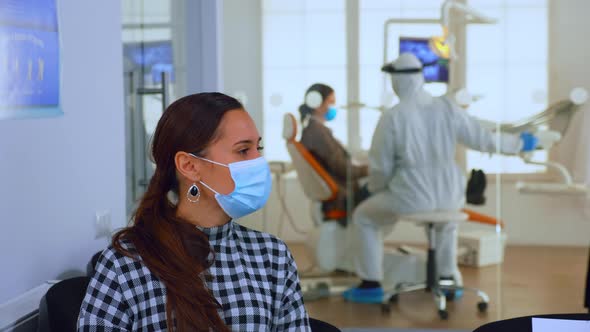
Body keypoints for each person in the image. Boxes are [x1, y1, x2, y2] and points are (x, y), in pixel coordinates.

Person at [78, 93, 311, 331]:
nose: (258, 160)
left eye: (257, 147)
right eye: (243, 151)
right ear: (189, 166)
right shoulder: (125, 263)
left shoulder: (272, 256)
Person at [343, 53, 539, 303]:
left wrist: (375, 189)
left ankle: (370, 284)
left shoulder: (392, 116)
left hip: (410, 195)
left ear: (396, 80)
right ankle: (448, 282)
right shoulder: (447, 107)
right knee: (447, 227)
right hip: (449, 192)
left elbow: (381, 166)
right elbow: (482, 138)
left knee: (364, 217)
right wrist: (519, 143)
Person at [299, 83, 369, 224]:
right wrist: (371, 169)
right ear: (317, 103)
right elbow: (343, 169)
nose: (334, 107)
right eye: (331, 102)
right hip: (344, 198)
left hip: (343, 192)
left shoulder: (315, 131)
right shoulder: (317, 133)